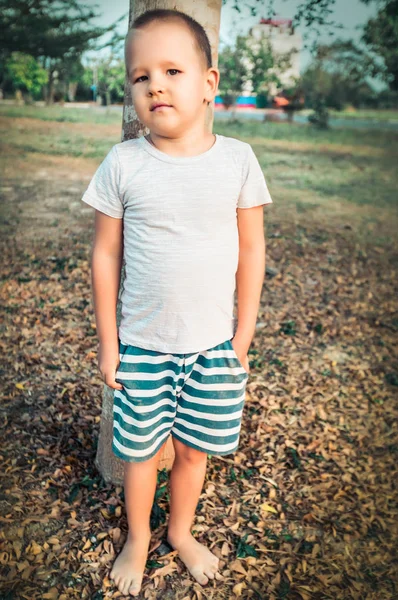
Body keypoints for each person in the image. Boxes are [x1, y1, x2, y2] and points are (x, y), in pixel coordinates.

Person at [81, 8, 273, 598]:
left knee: (192, 454)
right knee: (141, 456)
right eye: (141, 77)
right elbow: (104, 257)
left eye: (171, 70)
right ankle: (138, 536)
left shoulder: (237, 160)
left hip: (214, 349)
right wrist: (109, 346)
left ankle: (179, 532)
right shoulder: (124, 163)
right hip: (141, 349)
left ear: (209, 83)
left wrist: (240, 342)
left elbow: (252, 254)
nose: (155, 85)